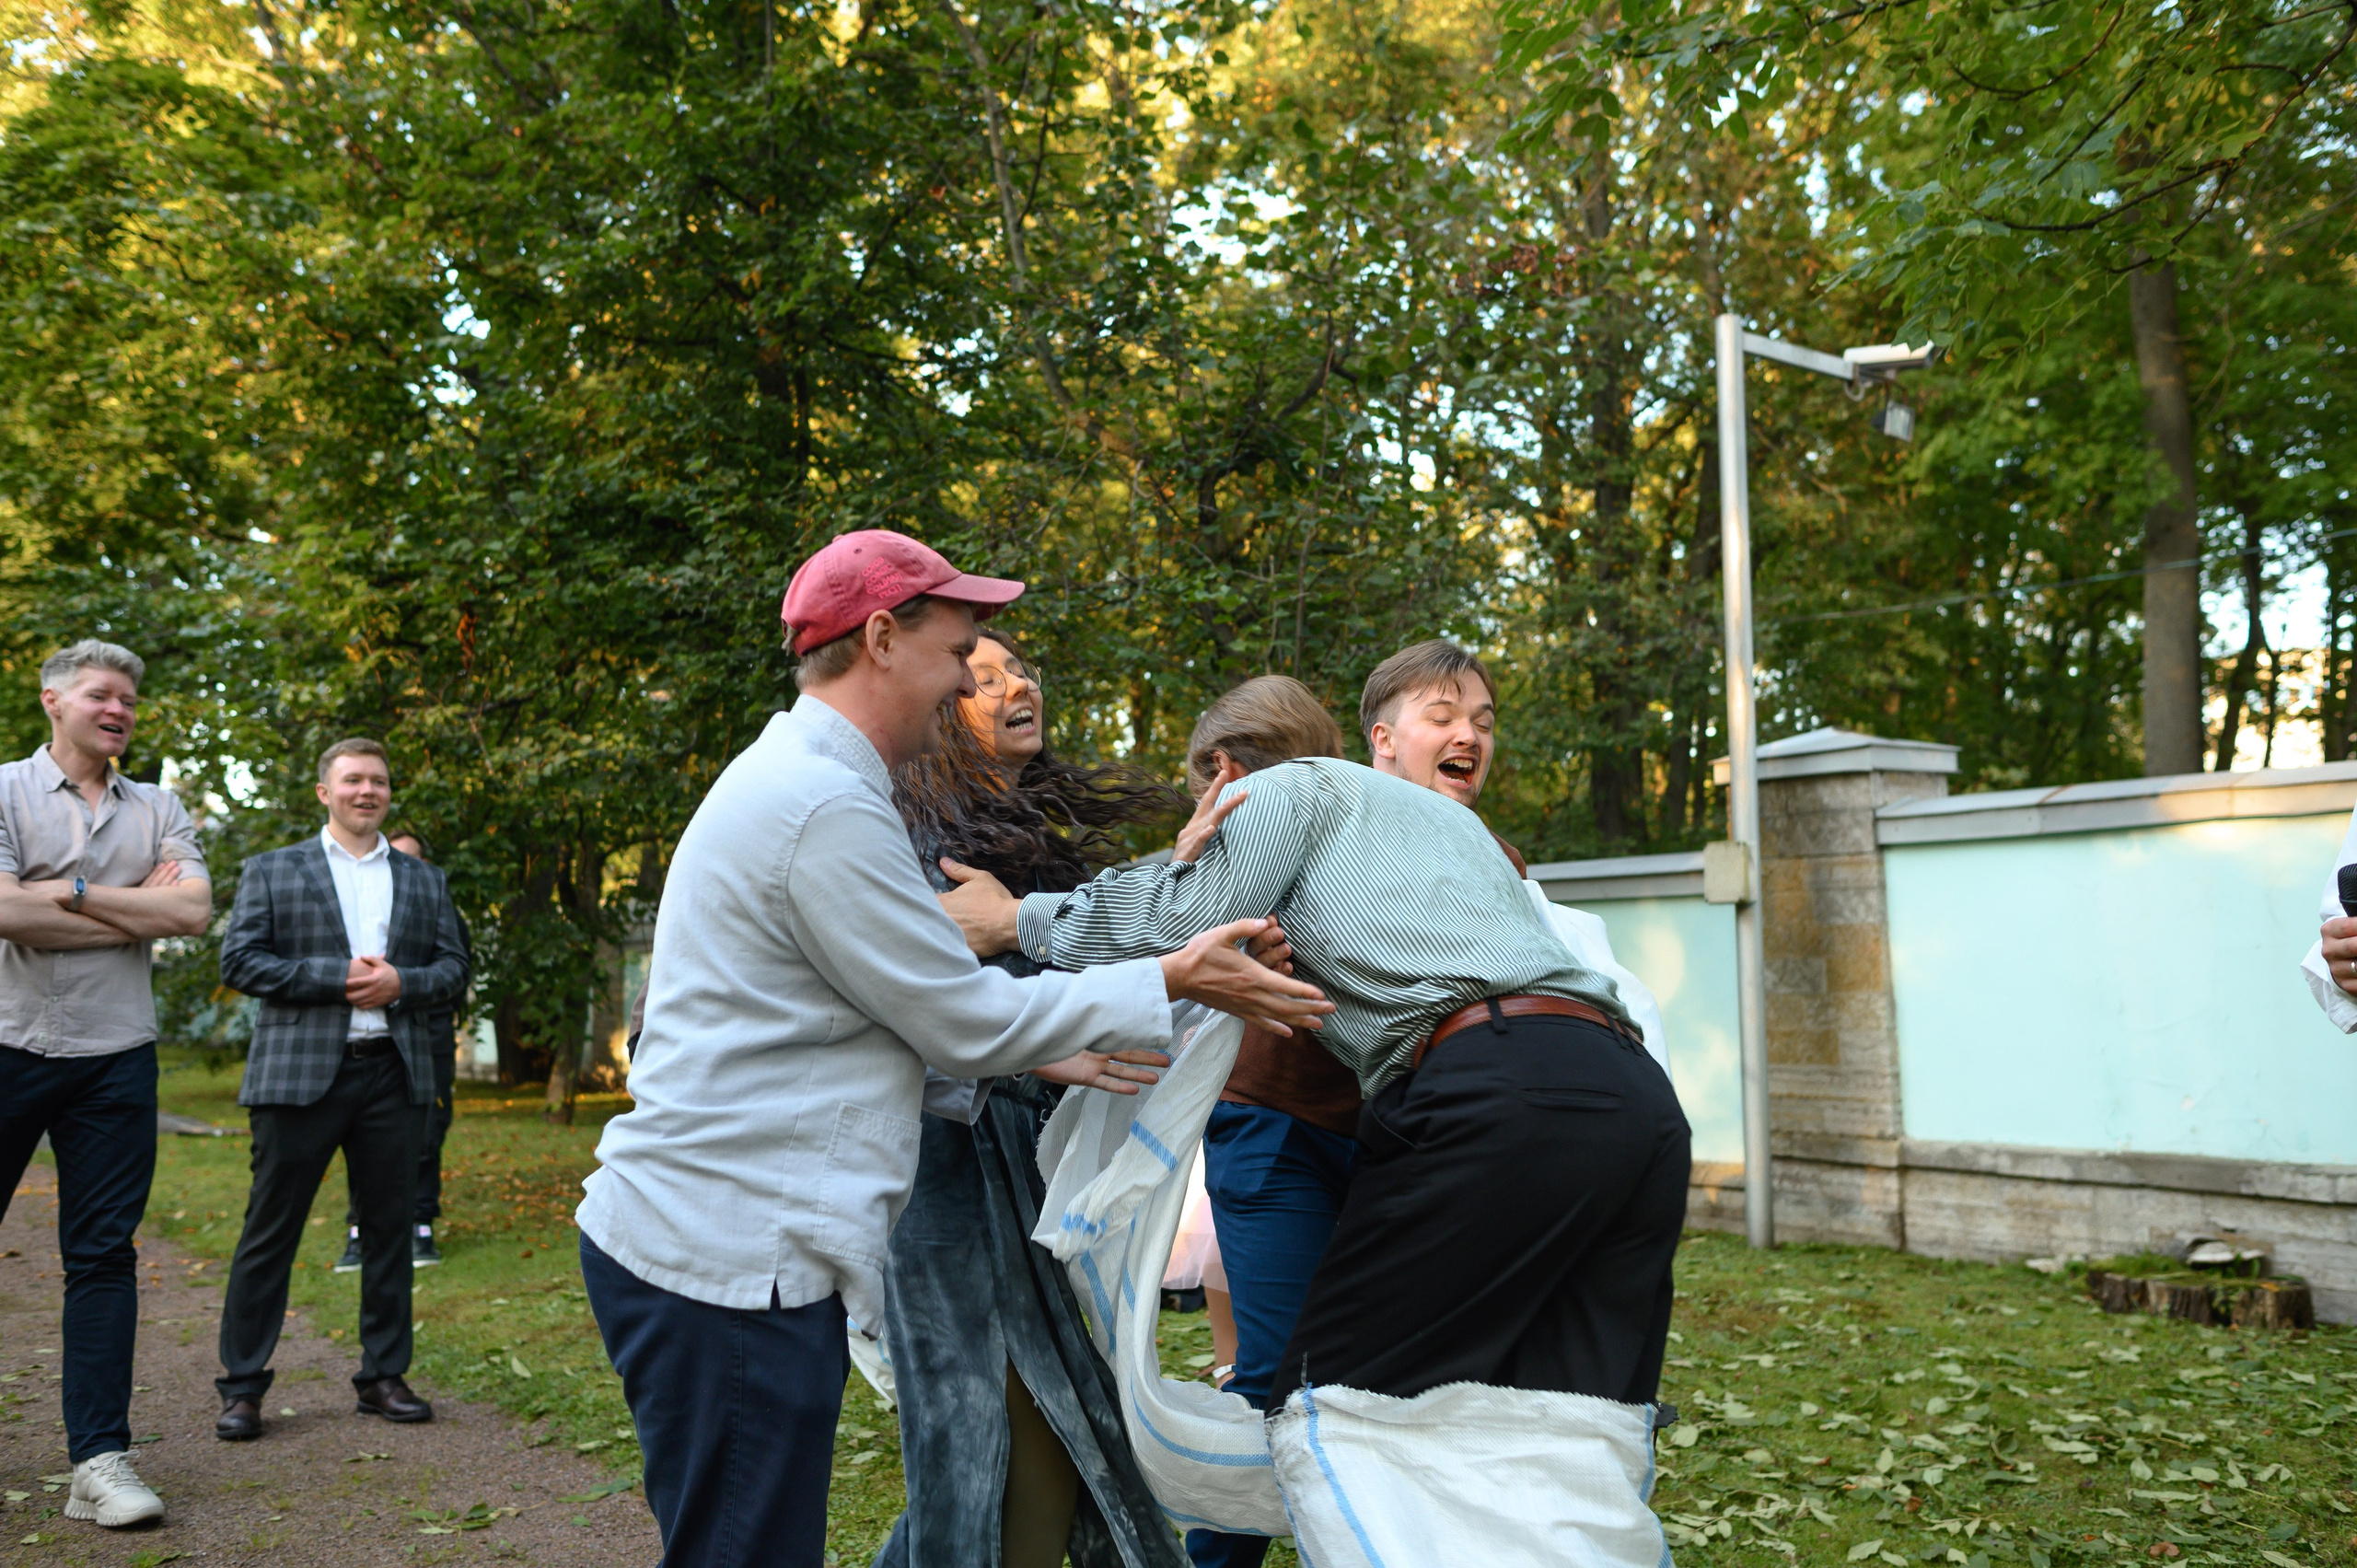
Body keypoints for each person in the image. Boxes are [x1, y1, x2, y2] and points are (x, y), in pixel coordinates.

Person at [573, 529, 1330, 1568]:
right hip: (727, 1260)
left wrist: (1034, 1047)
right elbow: (961, 1014)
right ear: (882, 638)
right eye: (959, 651)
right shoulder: (821, 805)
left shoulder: (811, 782)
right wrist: (1170, 975)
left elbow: (847, 1017)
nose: (972, 678)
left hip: (731, 1250)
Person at [944, 677, 1690, 1443]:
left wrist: (1012, 918)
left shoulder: (1287, 792)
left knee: (1335, 1399)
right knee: (1580, 1409)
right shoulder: (1453, 833)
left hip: (1482, 1090)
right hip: (1633, 1101)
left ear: (1225, 774)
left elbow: (1174, 914)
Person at [876, 626, 1190, 1568]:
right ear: (940, 712)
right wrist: (1026, 1047)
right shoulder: (909, 845)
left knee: (1043, 1439)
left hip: (1027, 1174)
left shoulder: (1028, 849)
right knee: (990, 1444)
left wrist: (1187, 867)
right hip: (942, 1177)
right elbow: (900, 1010)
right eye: (982, 678)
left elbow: (1100, 957)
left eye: (1020, 670)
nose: (1017, 685)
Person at [0, 640, 211, 1529]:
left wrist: (67, 894)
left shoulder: (161, 805)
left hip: (117, 1055)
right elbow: (1, 911)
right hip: (7, 1042)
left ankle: (99, 1463)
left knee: (102, 1256)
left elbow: (192, 910)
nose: (119, 708)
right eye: (101, 694)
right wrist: (133, 912)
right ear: (53, 700)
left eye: (128, 697)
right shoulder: (3, 791)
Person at [214, 738, 473, 1440]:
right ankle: (242, 1385)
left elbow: (454, 968)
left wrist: (402, 983)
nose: (368, 790)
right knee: (270, 1230)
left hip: (395, 1071)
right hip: (297, 1076)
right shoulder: (274, 869)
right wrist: (337, 977)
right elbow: (240, 959)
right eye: (353, 779)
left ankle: (383, 1376)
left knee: (389, 1230)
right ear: (324, 792)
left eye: (378, 780)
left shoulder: (424, 879)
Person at [336, 830, 470, 1272]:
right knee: (363, 1138)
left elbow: (456, 972)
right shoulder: (362, 908)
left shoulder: (440, 908)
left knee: (427, 1134)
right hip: (369, 1041)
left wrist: (411, 991)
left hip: (428, 1038)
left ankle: (420, 1224)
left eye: (412, 857)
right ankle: (360, 1229)